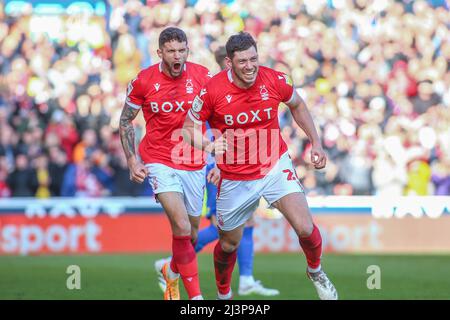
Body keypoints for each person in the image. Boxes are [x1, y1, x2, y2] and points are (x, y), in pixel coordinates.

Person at [182, 32, 338, 300]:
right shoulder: (212, 90)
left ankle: (316, 271)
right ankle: (224, 294)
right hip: (235, 177)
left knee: (305, 227)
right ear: (229, 63)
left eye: (254, 58)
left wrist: (316, 142)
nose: (250, 66)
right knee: (228, 244)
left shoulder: (275, 79)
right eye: (242, 61)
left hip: (274, 166)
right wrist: (208, 146)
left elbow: (297, 105)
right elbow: (187, 128)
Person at [155, 45, 280, 297]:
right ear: (228, 62)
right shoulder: (213, 89)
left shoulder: (224, 86)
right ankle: (171, 264)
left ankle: (245, 278)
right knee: (220, 226)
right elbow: (204, 131)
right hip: (216, 165)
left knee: (247, 222)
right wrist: (217, 163)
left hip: (234, 163)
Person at [119, 27, 217, 300]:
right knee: (182, 227)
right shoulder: (143, 81)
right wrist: (131, 160)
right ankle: (196, 299)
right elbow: (126, 120)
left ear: (188, 50)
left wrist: (218, 159)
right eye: (171, 51)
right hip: (159, 160)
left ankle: (170, 270)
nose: (177, 56)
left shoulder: (202, 76)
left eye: (182, 50)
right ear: (159, 52)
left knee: (193, 235)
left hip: (194, 161)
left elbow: (219, 115)